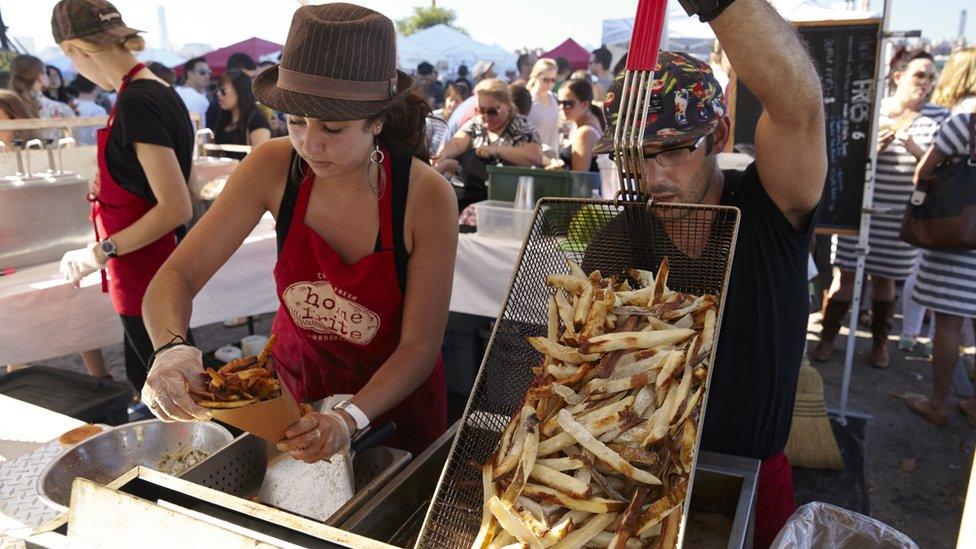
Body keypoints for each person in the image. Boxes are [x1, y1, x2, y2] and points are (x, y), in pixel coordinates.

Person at [140, 3, 456, 460]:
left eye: (333, 127)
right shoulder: (273, 166)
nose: (310, 144)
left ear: (378, 121)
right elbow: (177, 277)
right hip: (290, 402)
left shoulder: (425, 197)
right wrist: (170, 349)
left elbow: (420, 346)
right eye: (295, 121)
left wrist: (347, 418)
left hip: (391, 410)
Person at [586, 1, 825, 545]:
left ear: (718, 136)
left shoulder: (770, 208)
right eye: (633, 157)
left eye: (672, 150)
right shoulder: (616, 241)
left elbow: (800, 109)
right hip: (634, 484)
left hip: (754, 480)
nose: (652, 177)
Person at [52, 0, 195, 394]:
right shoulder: (159, 91)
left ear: (72, 50)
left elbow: (176, 205)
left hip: (147, 272)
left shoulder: (137, 102)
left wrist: (100, 251)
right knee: (162, 380)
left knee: (173, 390)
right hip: (148, 267)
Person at [816, 50, 948, 368]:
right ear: (899, 76)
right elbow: (841, 154)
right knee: (844, 274)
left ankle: (879, 344)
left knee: (886, 279)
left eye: (931, 77)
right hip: (858, 208)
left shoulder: (939, 116)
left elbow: (943, 172)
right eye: (920, 75)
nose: (926, 83)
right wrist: (872, 149)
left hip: (901, 212)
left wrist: (915, 149)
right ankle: (828, 338)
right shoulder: (872, 110)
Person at [904, 47, 976, 427]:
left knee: (948, 323)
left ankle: (938, 403)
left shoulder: (966, 120)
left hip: (958, 238)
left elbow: (925, 171)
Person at [433, 78, 543, 209]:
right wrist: (442, 155)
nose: (485, 115)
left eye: (492, 111)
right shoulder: (476, 124)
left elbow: (535, 156)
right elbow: (457, 143)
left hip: (501, 202)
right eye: (481, 109)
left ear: (507, 105)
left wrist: (497, 150)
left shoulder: (521, 126)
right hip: (466, 199)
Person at [9, 55, 76, 140]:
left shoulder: (7, 107)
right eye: (45, 72)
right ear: (40, 77)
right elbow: (74, 140)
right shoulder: (60, 109)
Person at [212, 70, 271, 160]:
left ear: (240, 91)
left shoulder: (256, 120)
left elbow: (260, 159)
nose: (218, 94)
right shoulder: (223, 117)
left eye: (223, 91)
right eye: (218, 90)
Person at [441, 60, 495, 146]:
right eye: (490, 73)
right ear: (482, 77)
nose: (494, 75)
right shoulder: (473, 105)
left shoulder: (472, 103)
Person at [557, 78, 604, 172]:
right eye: (559, 102)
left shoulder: (585, 133)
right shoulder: (589, 124)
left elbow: (579, 177)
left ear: (585, 105)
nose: (562, 107)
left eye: (568, 103)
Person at [525, 58, 560, 158]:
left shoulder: (555, 98)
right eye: (545, 80)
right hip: (533, 157)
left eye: (553, 80)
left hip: (554, 157)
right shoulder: (529, 100)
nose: (550, 84)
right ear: (536, 76)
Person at [427, 83, 465, 156]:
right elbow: (425, 144)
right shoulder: (432, 117)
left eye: (457, 101)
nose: (453, 104)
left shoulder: (464, 121)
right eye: (451, 100)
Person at [70, 74, 108, 145]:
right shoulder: (98, 110)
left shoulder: (68, 106)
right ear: (97, 86)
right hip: (90, 151)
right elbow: (101, 139)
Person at [176, 57, 211, 128]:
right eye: (202, 72)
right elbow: (201, 132)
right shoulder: (199, 99)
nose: (207, 76)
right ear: (190, 74)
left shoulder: (174, 92)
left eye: (209, 72)